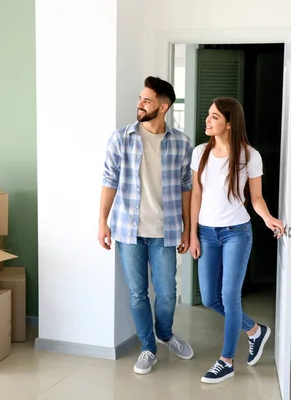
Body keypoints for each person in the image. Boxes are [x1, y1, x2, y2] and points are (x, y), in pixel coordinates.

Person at [98, 76, 194, 375]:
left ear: (163, 107)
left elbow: (186, 187)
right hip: (128, 231)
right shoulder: (121, 138)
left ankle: (165, 334)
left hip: (165, 231)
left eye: (147, 100)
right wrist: (102, 222)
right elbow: (109, 181)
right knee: (138, 293)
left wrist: (188, 229)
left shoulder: (181, 142)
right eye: (140, 98)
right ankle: (148, 347)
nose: (139, 104)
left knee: (166, 293)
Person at [189, 97, 284, 384]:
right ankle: (255, 330)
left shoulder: (250, 156)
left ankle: (226, 361)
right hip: (206, 232)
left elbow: (255, 197)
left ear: (230, 123)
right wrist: (192, 234)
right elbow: (196, 195)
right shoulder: (200, 153)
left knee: (230, 297)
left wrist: (268, 219)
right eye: (209, 115)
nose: (208, 120)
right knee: (210, 298)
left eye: (215, 117)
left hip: (236, 233)